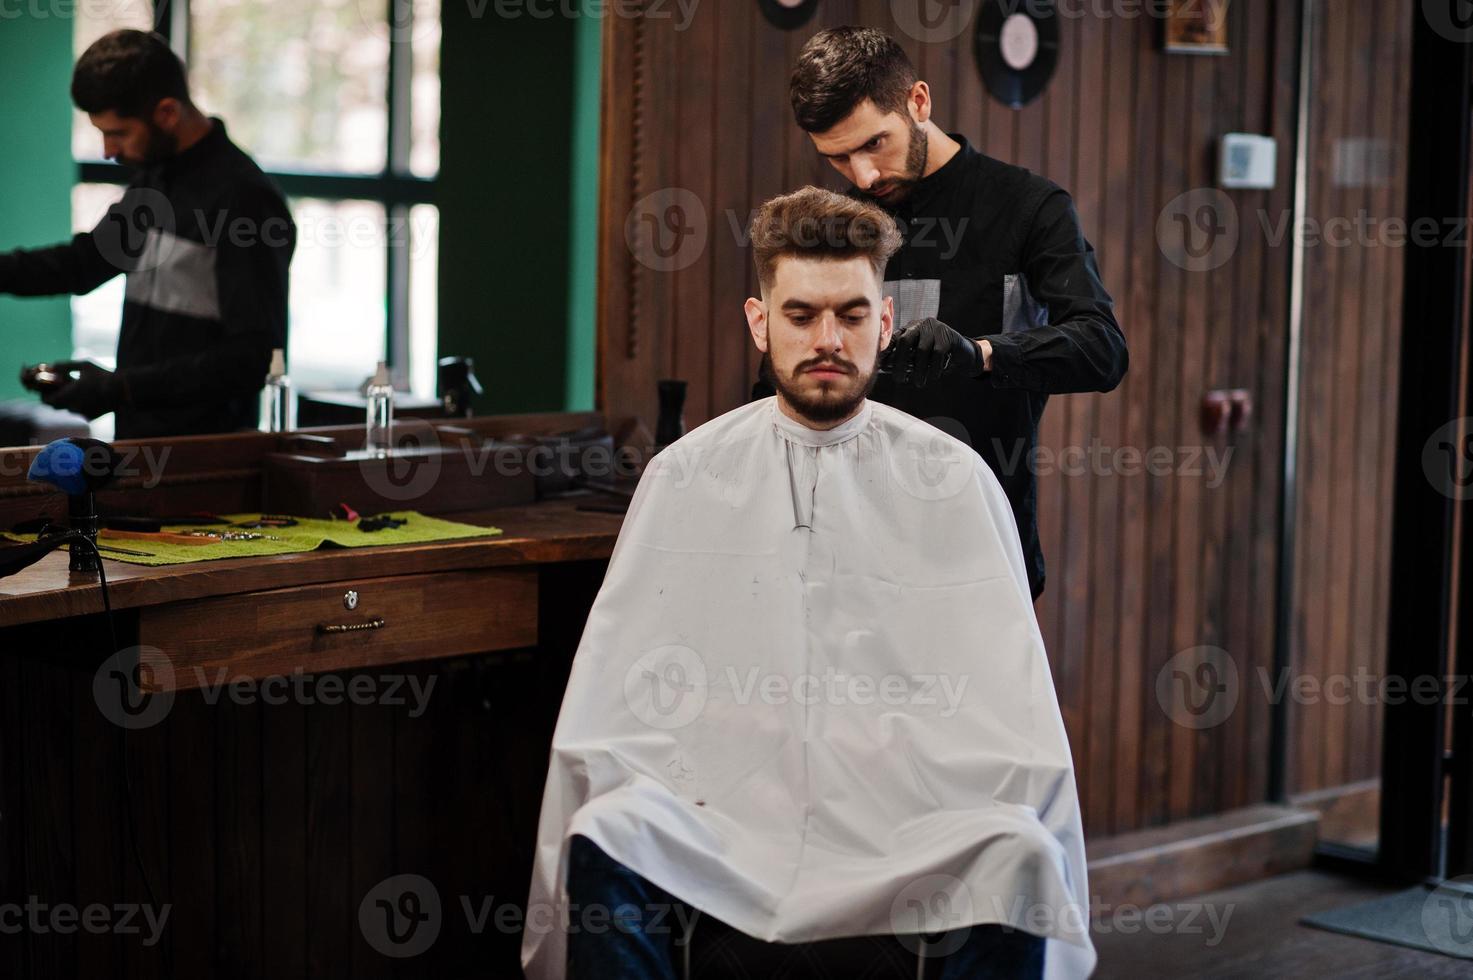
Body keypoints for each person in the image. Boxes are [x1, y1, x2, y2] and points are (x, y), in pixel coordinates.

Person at [524, 187, 1094, 979]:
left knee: (1016, 850)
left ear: (885, 321)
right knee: (610, 829)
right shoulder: (684, 477)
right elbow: (616, 706)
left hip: (907, 815)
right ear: (759, 322)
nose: (827, 339)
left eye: (851, 316)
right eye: (800, 316)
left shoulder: (953, 480)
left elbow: (1009, 711)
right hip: (718, 813)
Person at [754, 26, 1129, 601]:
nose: (863, 177)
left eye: (875, 144)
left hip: (980, 549)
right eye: (837, 158)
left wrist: (981, 355)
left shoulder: (1028, 208)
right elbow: (774, 386)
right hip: (840, 554)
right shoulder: (834, 221)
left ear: (919, 102)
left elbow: (1102, 348)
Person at [0, 30, 295, 439]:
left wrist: (120, 387)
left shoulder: (246, 201)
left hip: (208, 462)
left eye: (118, 134)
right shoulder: (153, 181)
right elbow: (83, 264)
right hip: (139, 447)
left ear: (168, 113)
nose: (107, 150)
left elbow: (253, 357)